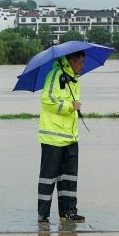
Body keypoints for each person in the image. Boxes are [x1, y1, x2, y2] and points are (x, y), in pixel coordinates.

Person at [37, 50, 86, 224]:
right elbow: (47, 100)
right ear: (72, 61)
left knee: (69, 178)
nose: (83, 65)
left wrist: (74, 108)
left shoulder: (74, 80)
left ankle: (68, 212)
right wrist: (70, 105)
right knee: (48, 177)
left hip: (70, 136)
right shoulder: (56, 75)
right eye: (80, 62)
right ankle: (43, 216)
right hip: (53, 137)